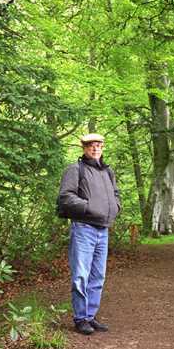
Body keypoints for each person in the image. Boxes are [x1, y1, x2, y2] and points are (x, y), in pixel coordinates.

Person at [57, 133, 121, 335]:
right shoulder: (75, 169)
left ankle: (91, 316)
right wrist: (90, 207)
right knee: (80, 276)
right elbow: (65, 197)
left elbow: (116, 194)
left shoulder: (107, 172)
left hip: (103, 229)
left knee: (98, 276)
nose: (95, 149)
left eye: (99, 145)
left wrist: (116, 207)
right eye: (91, 145)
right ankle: (80, 318)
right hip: (84, 228)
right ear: (84, 148)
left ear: (103, 147)